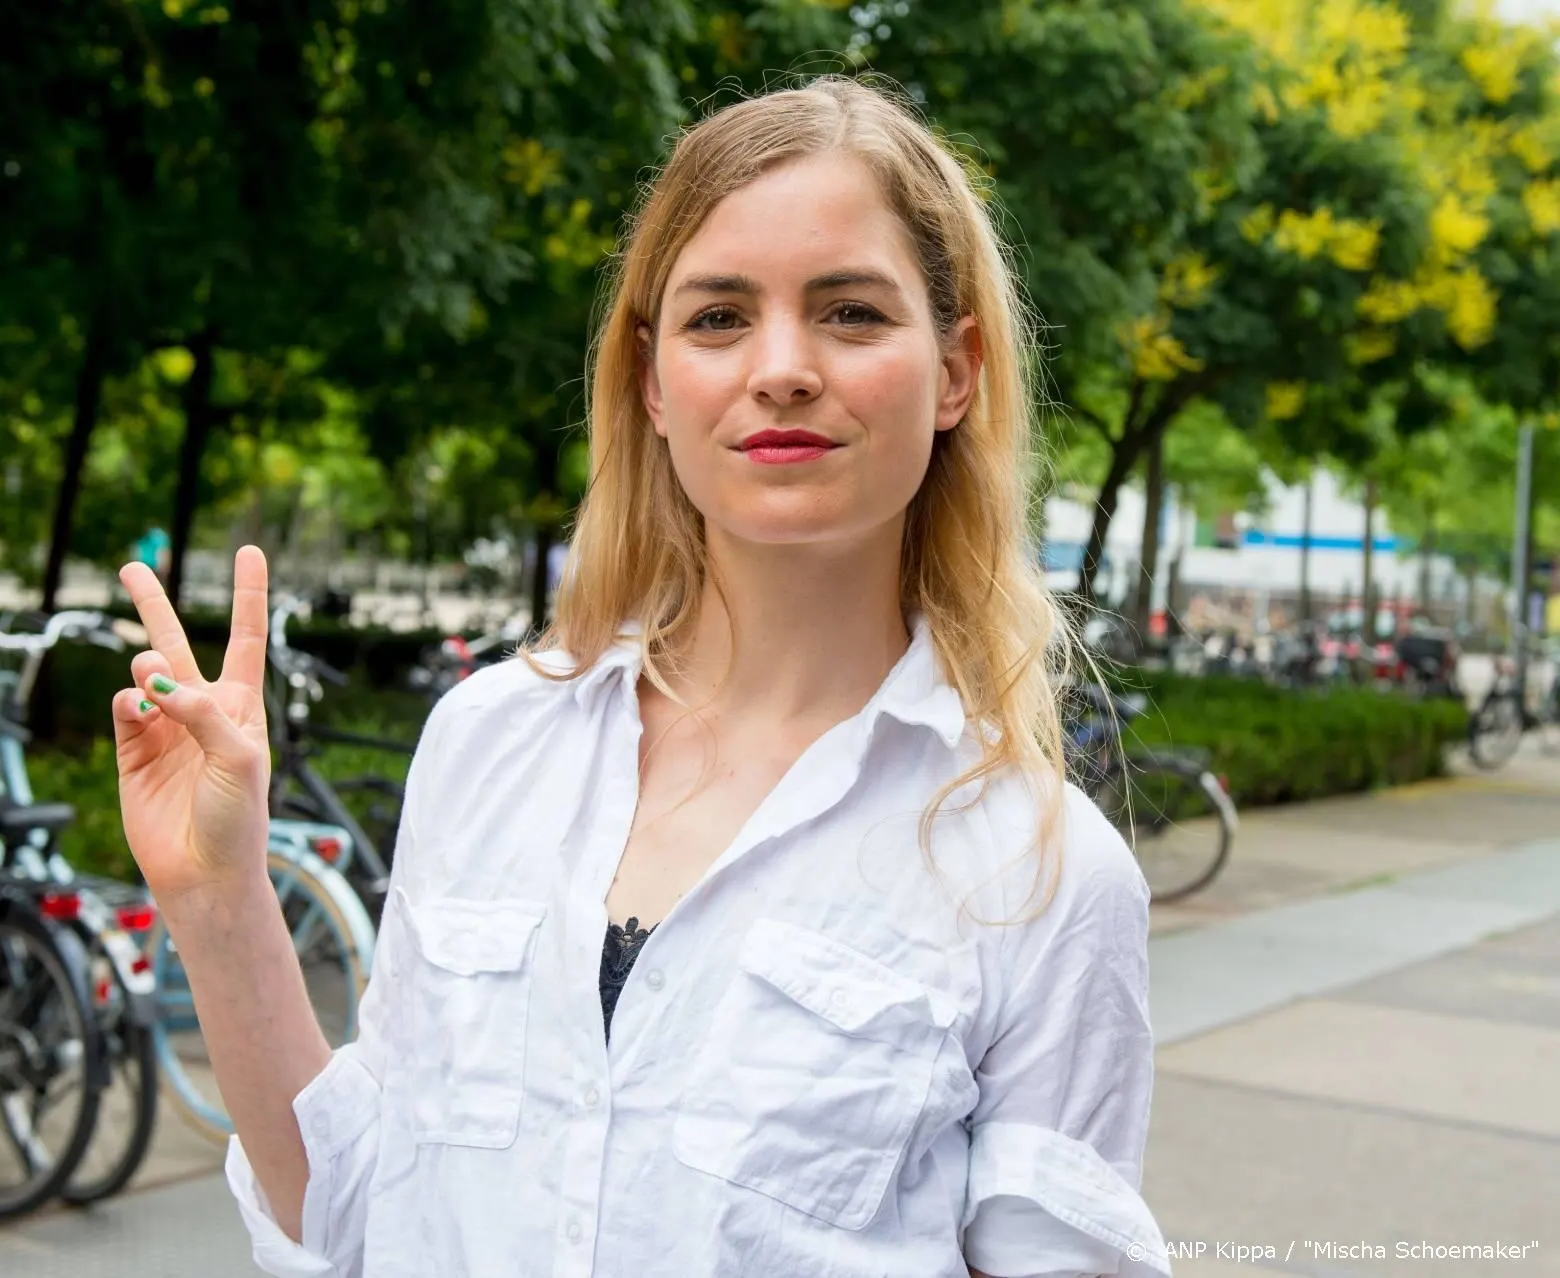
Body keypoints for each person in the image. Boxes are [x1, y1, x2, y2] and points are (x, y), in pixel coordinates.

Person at [111, 76, 1168, 1278]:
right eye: (719, 317)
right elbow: (352, 1220)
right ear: (654, 380)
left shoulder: (1042, 876)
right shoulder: (488, 741)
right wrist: (216, 897)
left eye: (852, 314)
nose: (781, 367)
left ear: (958, 370)